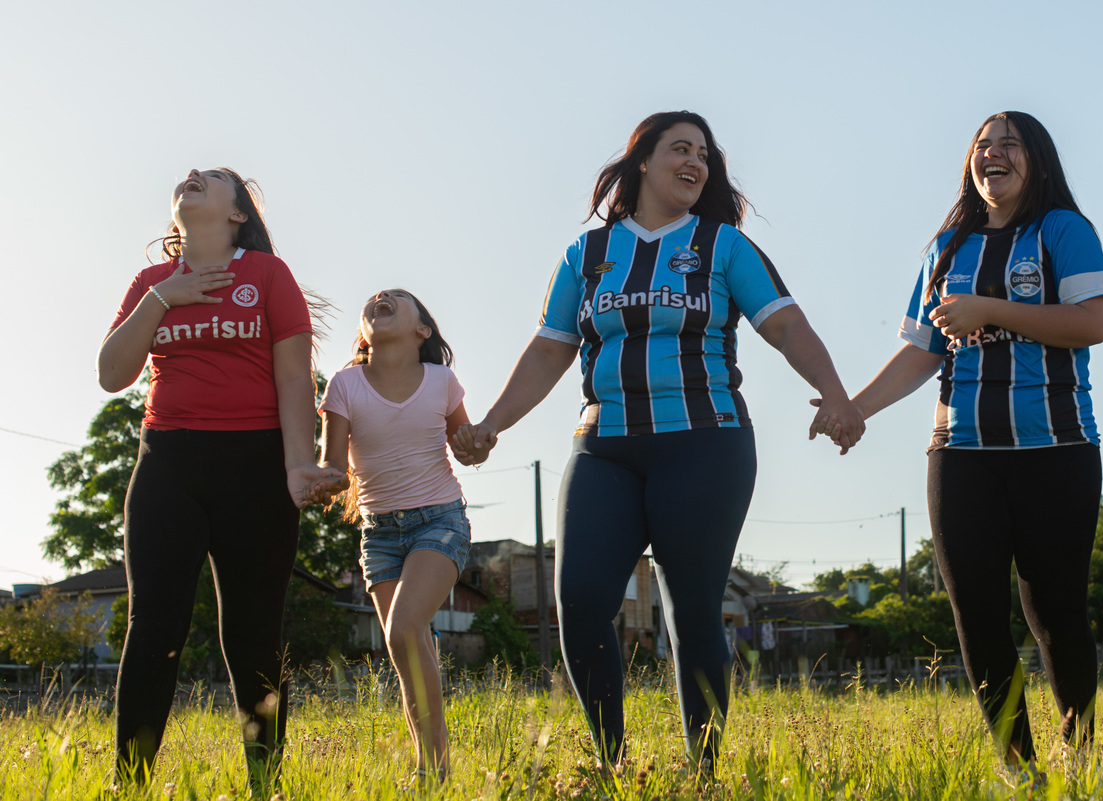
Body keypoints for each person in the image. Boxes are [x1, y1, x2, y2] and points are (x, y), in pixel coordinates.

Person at [454, 110, 862, 771]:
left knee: (692, 609)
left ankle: (703, 770)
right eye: (681, 148)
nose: (695, 161)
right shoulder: (586, 254)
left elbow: (786, 326)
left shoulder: (724, 246)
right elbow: (549, 348)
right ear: (642, 160)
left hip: (704, 443)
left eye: (704, 153)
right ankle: (611, 765)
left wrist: (836, 394)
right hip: (604, 448)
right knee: (581, 602)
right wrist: (490, 424)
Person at [847, 112, 1103, 777]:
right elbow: (921, 351)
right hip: (960, 455)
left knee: (1054, 612)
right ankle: (1018, 767)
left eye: (1009, 145)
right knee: (977, 615)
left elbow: (1091, 323)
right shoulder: (946, 247)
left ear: (1037, 160)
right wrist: (856, 409)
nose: (993, 154)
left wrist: (989, 310)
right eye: (982, 146)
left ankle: (1081, 758)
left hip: (1056, 449)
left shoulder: (1063, 230)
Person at [98, 168, 336, 789]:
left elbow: (294, 378)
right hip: (167, 465)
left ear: (238, 214)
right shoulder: (151, 282)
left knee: (253, 636)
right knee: (154, 625)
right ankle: (130, 784)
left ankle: (266, 785)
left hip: (256, 468)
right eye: (188, 178)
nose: (191, 176)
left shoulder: (268, 275)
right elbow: (111, 374)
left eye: (211, 178)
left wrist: (298, 464)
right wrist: (162, 298)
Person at [304, 288, 477, 783]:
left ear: (422, 330)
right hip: (378, 534)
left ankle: (435, 769)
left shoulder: (442, 382)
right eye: (377, 299)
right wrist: (320, 482)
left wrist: (478, 443)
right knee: (407, 648)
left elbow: (466, 449)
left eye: (398, 297)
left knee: (402, 631)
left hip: (439, 522)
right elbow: (334, 467)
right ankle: (431, 767)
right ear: (363, 335)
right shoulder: (344, 386)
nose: (381, 296)